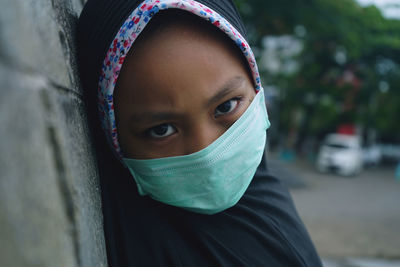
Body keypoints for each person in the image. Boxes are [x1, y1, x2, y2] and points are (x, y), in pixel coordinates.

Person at [77, 0, 322, 266]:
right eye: (162, 130)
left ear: (255, 86)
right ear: (113, 139)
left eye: (225, 106)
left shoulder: (270, 210)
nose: (205, 152)